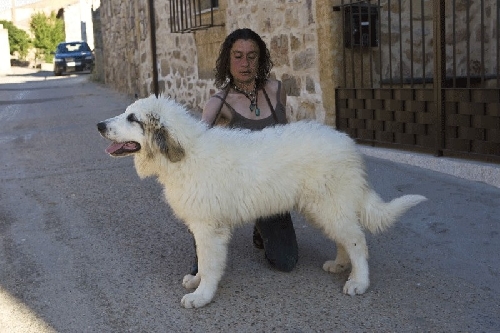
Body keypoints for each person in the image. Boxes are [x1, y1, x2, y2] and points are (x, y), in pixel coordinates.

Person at [189, 28, 298, 275]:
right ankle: (202, 253)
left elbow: (288, 135)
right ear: (227, 60)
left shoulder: (276, 90)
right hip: (237, 185)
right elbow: (198, 144)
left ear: (261, 59)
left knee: (286, 262)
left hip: (273, 187)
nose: (245, 63)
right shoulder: (219, 103)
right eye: (237, 56)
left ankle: (261, 225)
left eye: (252, 56)